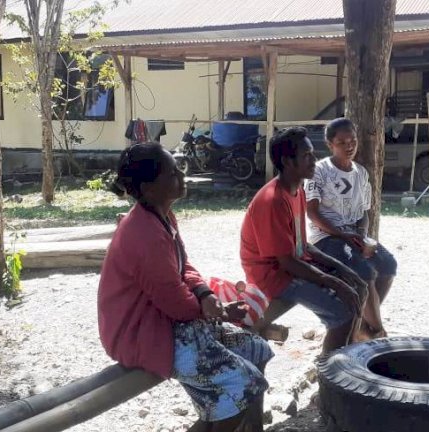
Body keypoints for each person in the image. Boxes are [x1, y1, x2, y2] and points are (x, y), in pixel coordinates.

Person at [98, 143, 273, 432]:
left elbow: (184, 266)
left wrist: (205, 293)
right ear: (149, 187)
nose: (181, 175)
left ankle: (240, 425)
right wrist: (216, 312)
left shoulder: (162, 216)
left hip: (169, 322)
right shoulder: (144, 234)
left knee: (257, 350)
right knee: (246, 383)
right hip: (143, 333)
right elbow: (175, 303)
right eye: (172, 172)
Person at [240, 127, 368, 354]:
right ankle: (330, 375)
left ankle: (345, 356)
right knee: (342, 313)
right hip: (271, 277)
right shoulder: (273, 200)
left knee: (359, 286)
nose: (314, 160)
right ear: (288, 162)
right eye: (307, 155)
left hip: (291, 264)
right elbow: (286, 262)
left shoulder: (297, 190)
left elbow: (302, 245)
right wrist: (334, 281)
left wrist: (342, 271)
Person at [305, 118, 397, 340]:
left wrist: (362, 236)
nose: (349, 146)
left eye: (353, 141)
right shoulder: (319, 171)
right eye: (342, 142)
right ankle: (377, 332)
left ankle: (362, 324)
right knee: (364, 272)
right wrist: (342, 235)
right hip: (326, 238)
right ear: (330, 144)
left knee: (388, 265)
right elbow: (312, 212)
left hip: (352, 236)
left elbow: (364, 213)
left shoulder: (361, 173)